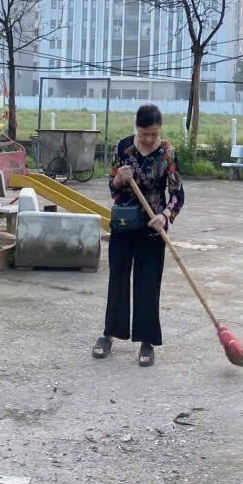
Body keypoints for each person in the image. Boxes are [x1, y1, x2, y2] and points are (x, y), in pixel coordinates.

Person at [93, 103, 185, 367]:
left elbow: (177, 194)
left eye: (153, 134)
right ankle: (109, 334)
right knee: (118, 280)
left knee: (148, 284)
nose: (148, 139)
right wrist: (120, 179)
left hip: (153, 230)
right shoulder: (123, 148)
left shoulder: (167, 153)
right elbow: (112, 188)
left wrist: (165, 216)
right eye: (144, 133)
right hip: (124, 224)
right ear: (137, 127)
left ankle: (147, 341)